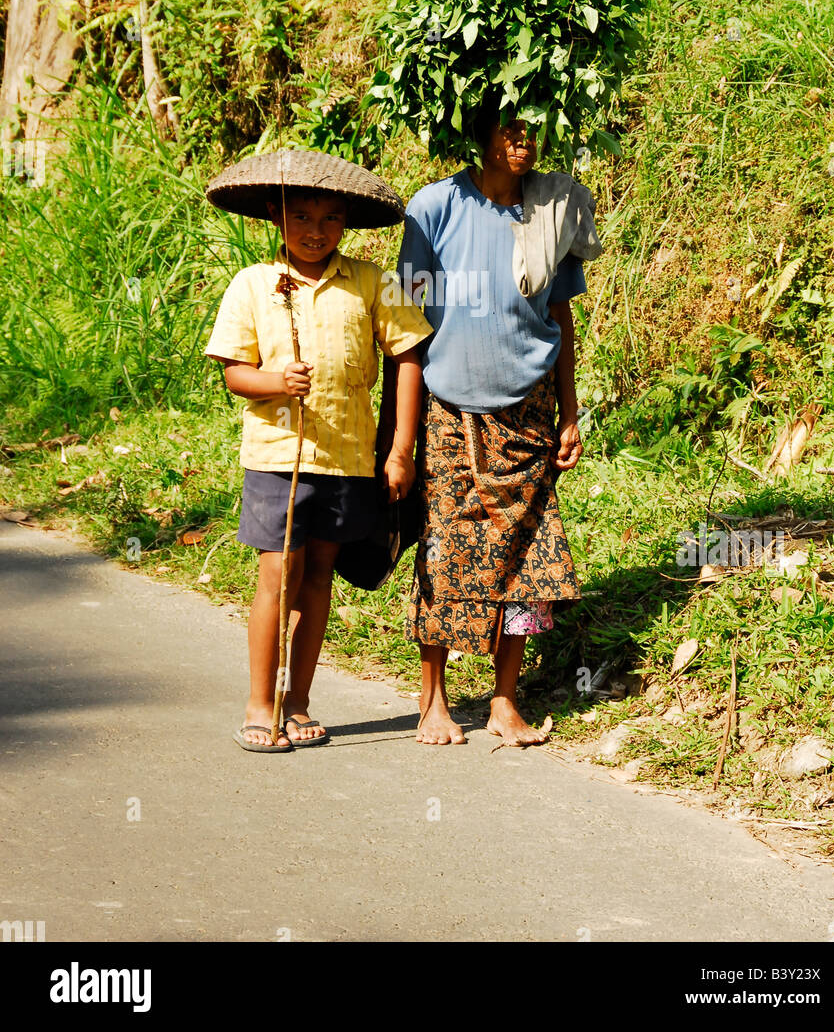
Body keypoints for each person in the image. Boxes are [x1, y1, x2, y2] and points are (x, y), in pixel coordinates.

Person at [205, 156, 432, 753]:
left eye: (331, 218)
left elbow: (408, 358)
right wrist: (276, 380)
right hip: (279, 456)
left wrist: (399, 450)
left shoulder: (373, 280)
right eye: (301, 215)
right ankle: (260, 704)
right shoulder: (254, 283)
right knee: (280, 576)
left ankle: (297, 701)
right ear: (277, 217)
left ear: (347, 223)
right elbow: (235, 373)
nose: (316, 229)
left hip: (349, 459)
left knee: (318, 579)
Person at [396, 109, 602, 746]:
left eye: (534, 128)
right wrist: (401, 443)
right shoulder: (435, 209)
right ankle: (433, 699)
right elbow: (407, 323)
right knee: (446, 553)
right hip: (449, 411)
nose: (524, 140)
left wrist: (570, 411)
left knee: (531, 560)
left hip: (530, 413)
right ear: (479, 132)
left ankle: (503, 698)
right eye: (509, 127)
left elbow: (560, 316)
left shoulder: (550, 210)